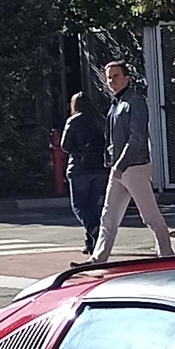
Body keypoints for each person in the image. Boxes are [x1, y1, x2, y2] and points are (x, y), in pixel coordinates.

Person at [88, 60, 172, 263]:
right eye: (109, 77)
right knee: (108, 217)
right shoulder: (117, 104)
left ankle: (167, 254)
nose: (112, 81)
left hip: (134, 168)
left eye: (116, 76)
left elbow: (136, 138)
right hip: (119, 168)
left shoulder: (135, 102)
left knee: (150, 217)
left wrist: (119, 164)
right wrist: (114, 163)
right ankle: (98, 259)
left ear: (127, 78)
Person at [58, 90, 105, 255]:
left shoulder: (73, 120)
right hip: (99, 168)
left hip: (79, 168)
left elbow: (65, 145)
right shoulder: (100, 120)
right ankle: (91, 243)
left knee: (78, 206)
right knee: (92, 206)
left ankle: (94, 229)